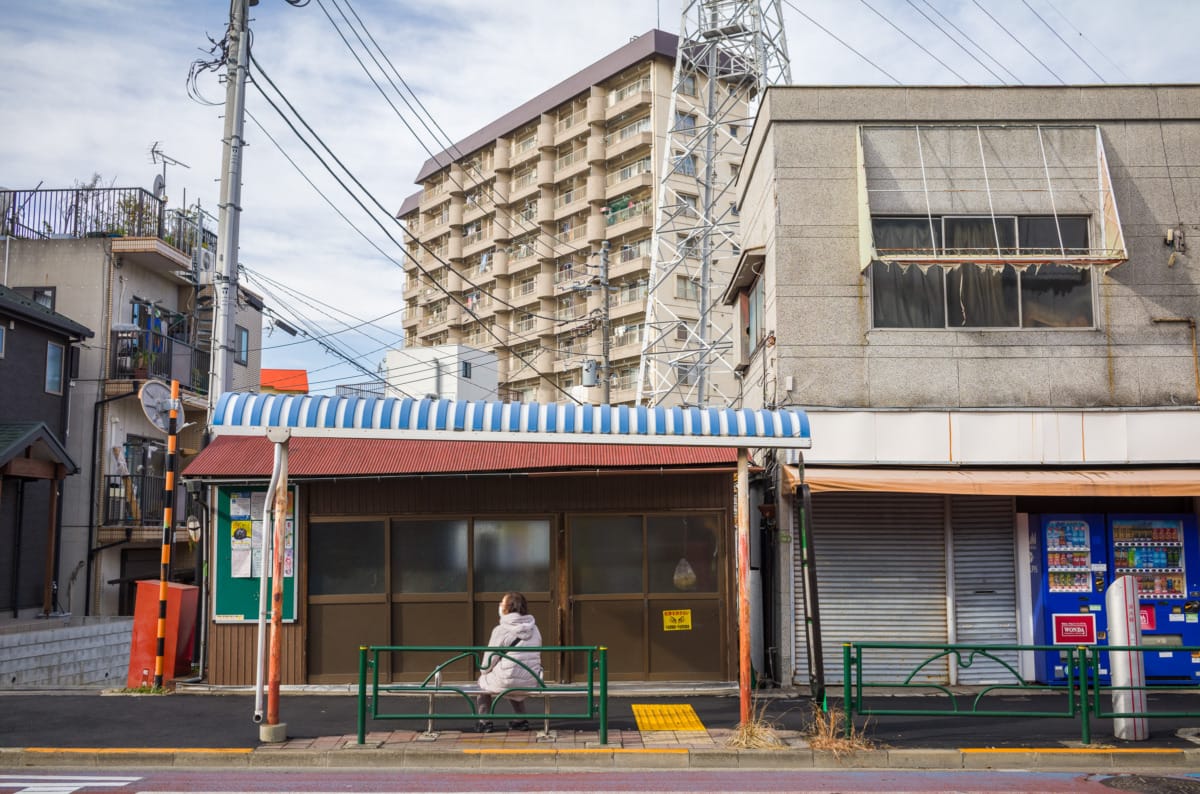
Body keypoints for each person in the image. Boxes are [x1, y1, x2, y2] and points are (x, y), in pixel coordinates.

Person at [475, 591, 542, 733]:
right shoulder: (534, 628)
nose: (499, 605)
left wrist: (485, 673)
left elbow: (487, 664)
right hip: (532, 679)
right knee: (515, 673)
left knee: (484, 682)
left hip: (509, 680)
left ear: (508, 608)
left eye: (502, 603)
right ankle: (521, 720)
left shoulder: (501, 630)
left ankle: (484, 721)